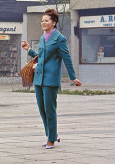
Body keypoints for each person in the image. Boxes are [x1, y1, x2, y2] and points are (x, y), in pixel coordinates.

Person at [21, 9, 82, 149]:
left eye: (46, 20)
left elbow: (67, 59)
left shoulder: (60, 39)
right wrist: (29, 49)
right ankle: (51, 135)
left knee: (50, 109)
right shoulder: (42, 38)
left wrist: (73, 77)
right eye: (42, 20)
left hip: (51, 80)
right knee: (42, 109)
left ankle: (51, 139)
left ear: (53, 23)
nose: (43, 23)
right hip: (38, 79)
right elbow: (40, 57)